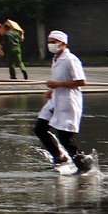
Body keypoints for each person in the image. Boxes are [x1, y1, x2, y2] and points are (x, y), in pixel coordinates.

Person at [34, 30, 93, 175]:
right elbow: (58, 82)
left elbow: (81, 81)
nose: (50, 45)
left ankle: (83, 165)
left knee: (65, 137)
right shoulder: (56, 59)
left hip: (68, 100)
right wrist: (53, 90)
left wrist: (58, 85)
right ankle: (59, 157)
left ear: (63, 43)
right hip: (56, 99)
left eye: (53, 42)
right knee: (40, 128)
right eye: (49, 41)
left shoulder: (70, 59)